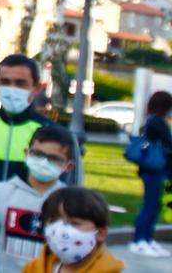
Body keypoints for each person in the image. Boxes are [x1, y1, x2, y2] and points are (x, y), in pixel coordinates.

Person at [0, 54, 82, 273]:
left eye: (21, 83)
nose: (12, 88)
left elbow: (71, 191)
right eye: (6, 82)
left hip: (28, 245)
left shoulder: (55, 137)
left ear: (37, 87)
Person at [0, 125, 75, 272]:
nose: (43, 162)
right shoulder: (2, 193)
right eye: (38, 154)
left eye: (53, 158)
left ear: (68, 166)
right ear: (27, 154)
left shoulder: (73, 203)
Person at [22, 187, 124, 273]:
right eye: (53, 221)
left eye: (74, 223)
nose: (60, 230)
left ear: (100, 234)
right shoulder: (33, 268)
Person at [130, 90, 172, 257]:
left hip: (154, 169)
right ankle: (139, 240)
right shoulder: (157, 122)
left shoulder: (152, 120)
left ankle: (147, 238)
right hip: (154, 169)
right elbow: (168, 144)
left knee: (154, 205)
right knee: (150, 205)